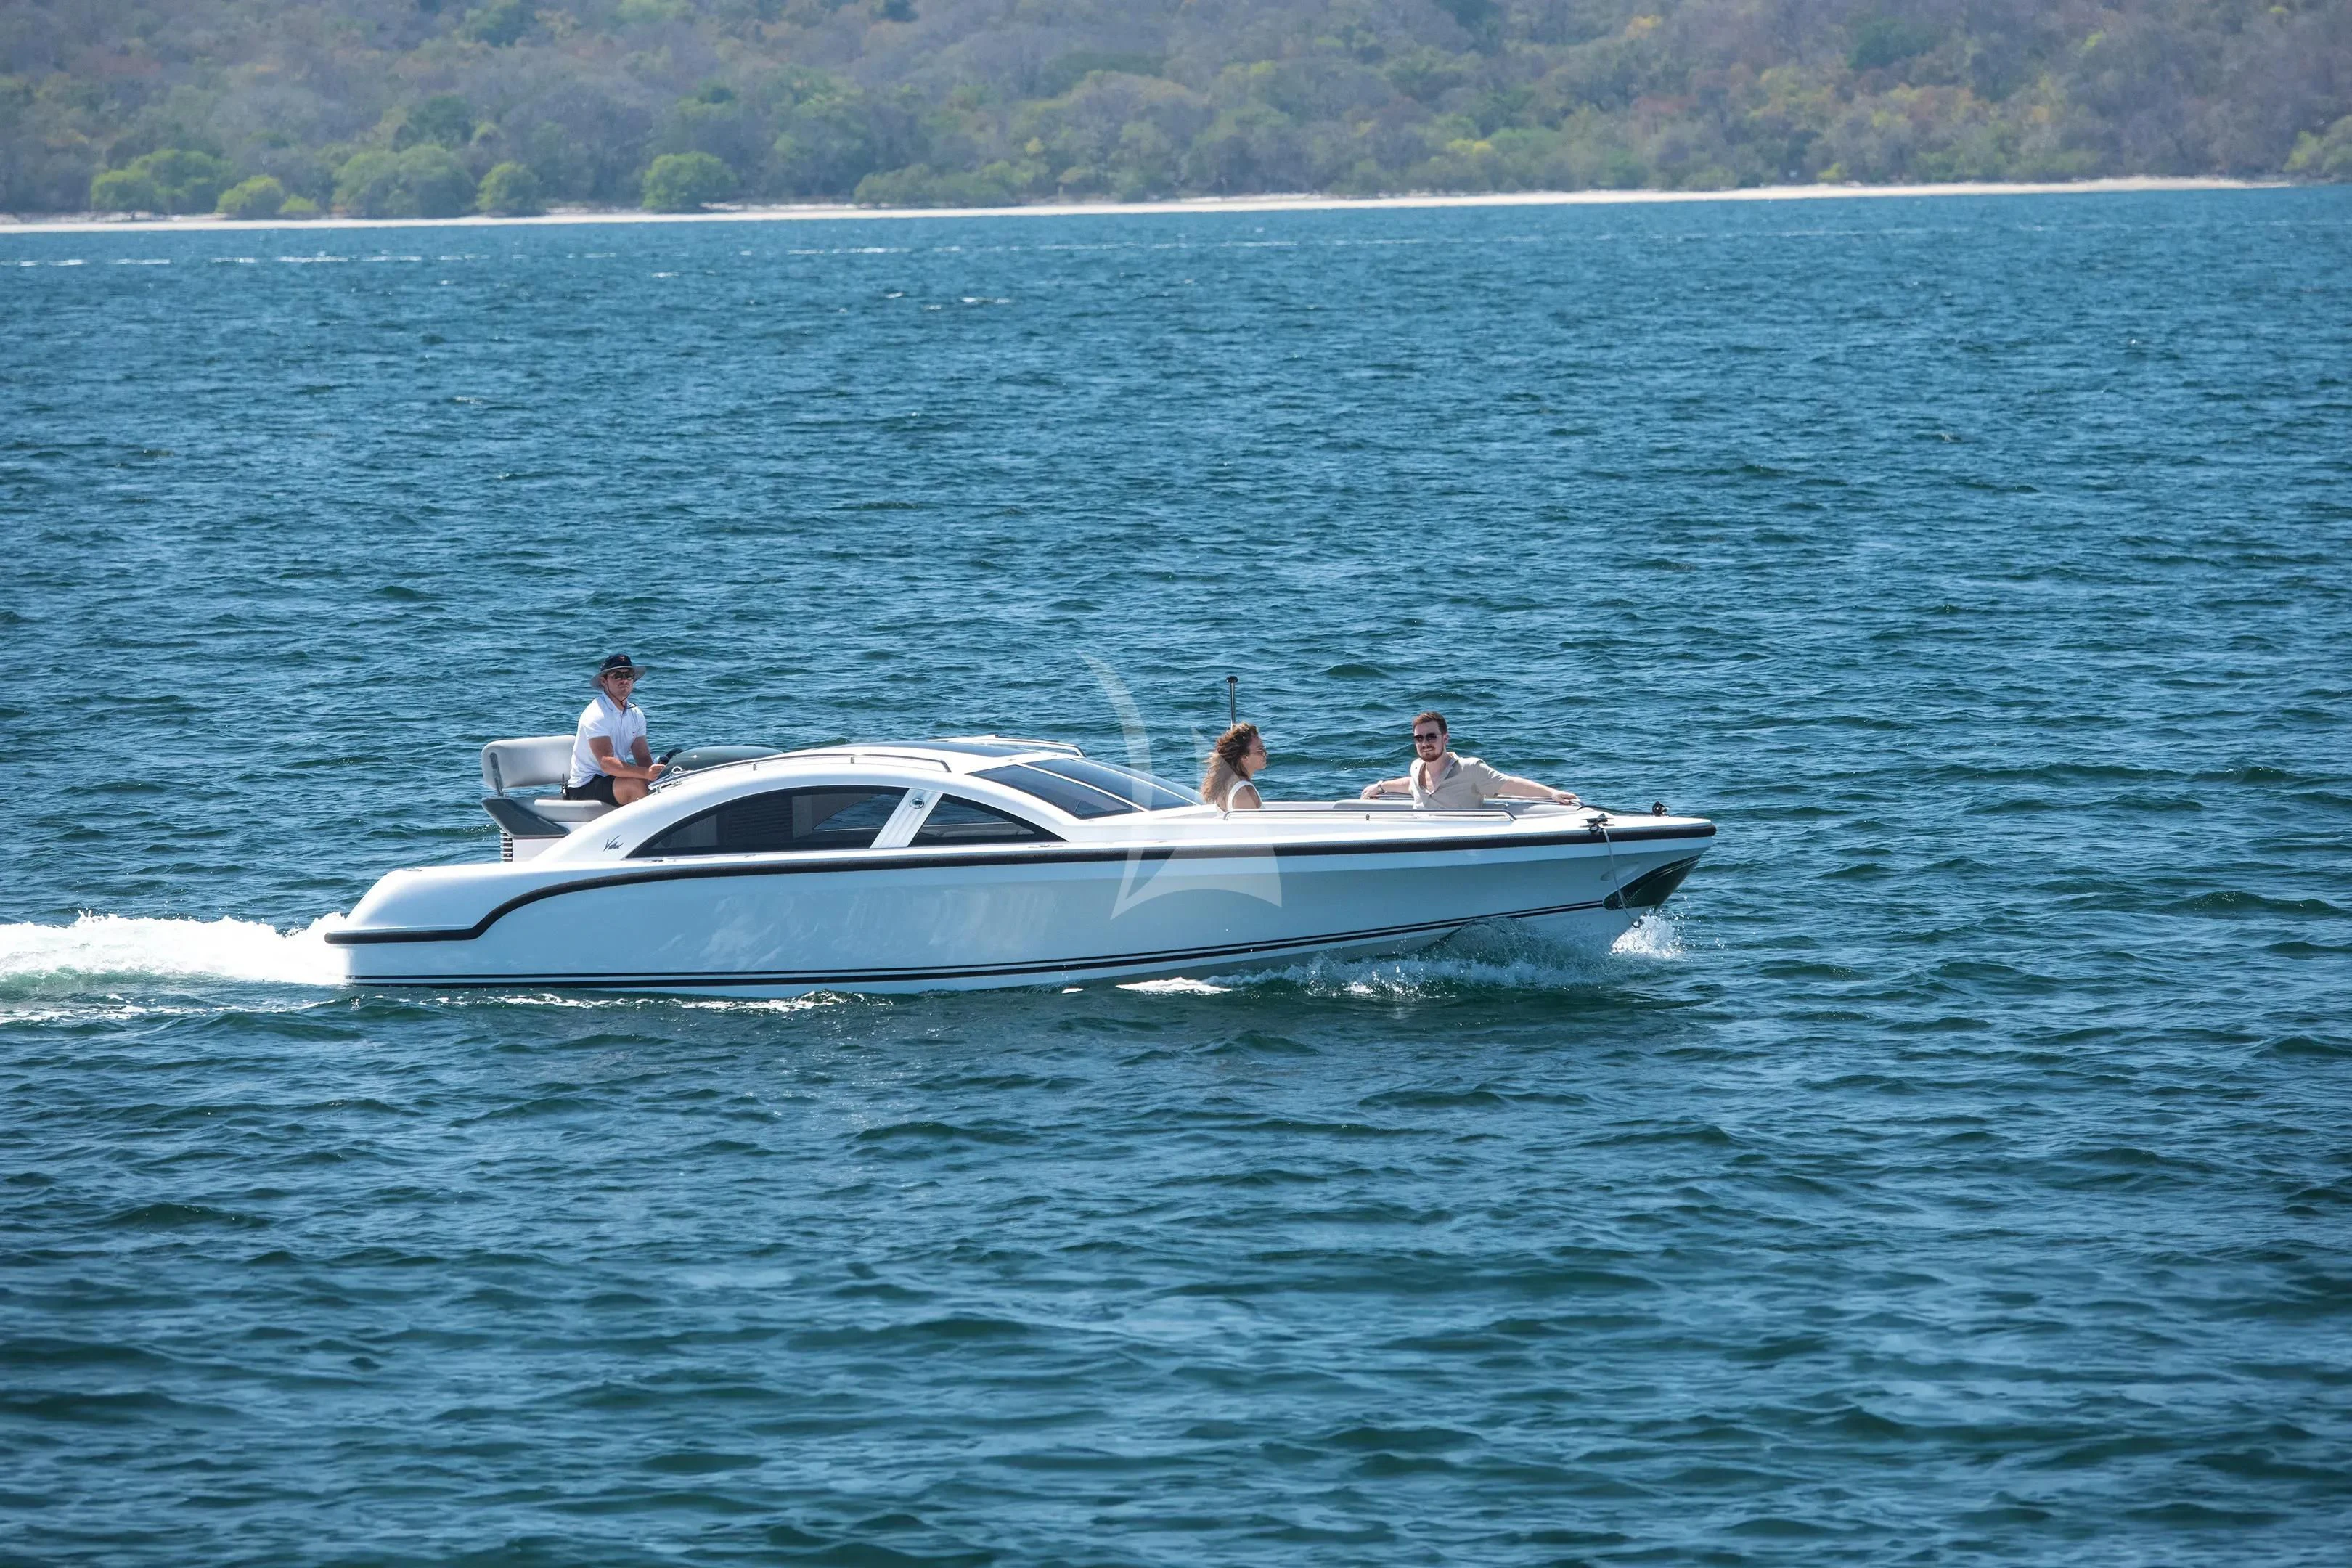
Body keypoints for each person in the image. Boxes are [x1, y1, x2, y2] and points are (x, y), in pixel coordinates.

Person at [1359, 711, 1580, 809]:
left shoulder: (1470, 768)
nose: (1425, 743)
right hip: (1421, 843)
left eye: (1431, 737)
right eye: (1419, 738)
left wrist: (1551, 793)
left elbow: (1508, 784)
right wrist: (1380, 786)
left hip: (1459, 845)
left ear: (1445, 738)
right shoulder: (1416, 768)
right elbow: (1410, 785)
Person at [565, 653, 666, 807]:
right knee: (635, 785)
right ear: (604, 681)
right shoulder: (596, 714)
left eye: (629, 675)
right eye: (618, 675)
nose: (624, 680)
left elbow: (643, 757)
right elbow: (606, 763)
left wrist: (658, 774)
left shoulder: (636, 714)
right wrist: (646, 774)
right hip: (584, 786)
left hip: (614, 779)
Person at [1201, 722, 1268, 811]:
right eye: (1260, 750)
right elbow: (1245, 820)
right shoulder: (1245, 793)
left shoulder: (1227, 781)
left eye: (1264, 749)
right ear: (1244, 757)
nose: (1265, 753)